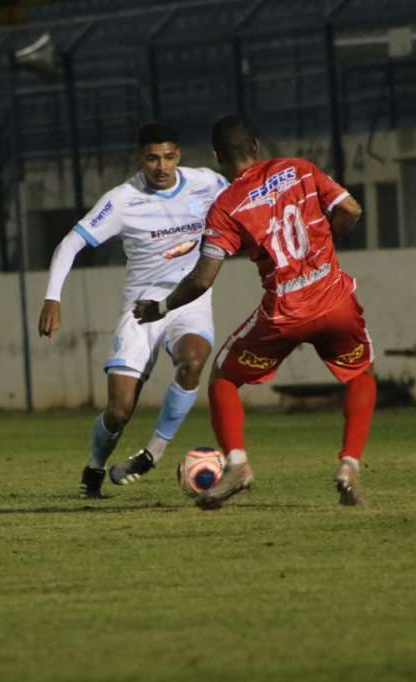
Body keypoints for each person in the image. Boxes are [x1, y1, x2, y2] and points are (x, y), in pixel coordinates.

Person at [134, 114, 376, 510]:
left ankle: (239, 466)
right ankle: (349, 465)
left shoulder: (226, 206)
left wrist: (161, 306)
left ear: (217, 156)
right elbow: (351, 209)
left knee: (223, 377)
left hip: (285, 312)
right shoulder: (299, 169)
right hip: (335, 300)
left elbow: (202, 279)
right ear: (257, 147)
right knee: (362, 375)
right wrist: (327, 242)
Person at [38, 122, 229, 498]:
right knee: (120, 411)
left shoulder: (207, 183)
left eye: (169, 157)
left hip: (189, 300)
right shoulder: (122, 200)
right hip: (142, 309)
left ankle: (152, 454)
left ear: (178, 155)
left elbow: (246, 203)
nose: (162, 167)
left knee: (194, 360)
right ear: (139, 158)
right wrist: (52, 298)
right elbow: (70, 244)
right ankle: (94, 467)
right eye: (153, 158)